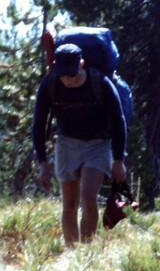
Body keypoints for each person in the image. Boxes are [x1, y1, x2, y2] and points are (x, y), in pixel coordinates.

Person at [32, 43, 127, 247]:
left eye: (72, 74)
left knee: (88, 196)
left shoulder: (100, 83)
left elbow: (119, 121)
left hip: (98, 144)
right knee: (69, 203)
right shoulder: (49, 85)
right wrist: (42, 164)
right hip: (66, 145)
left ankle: (85, 252)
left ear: (81, 64)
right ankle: (71, 253)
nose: (68, 79)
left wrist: (119, 160)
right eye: (63, 74)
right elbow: (38, 126)